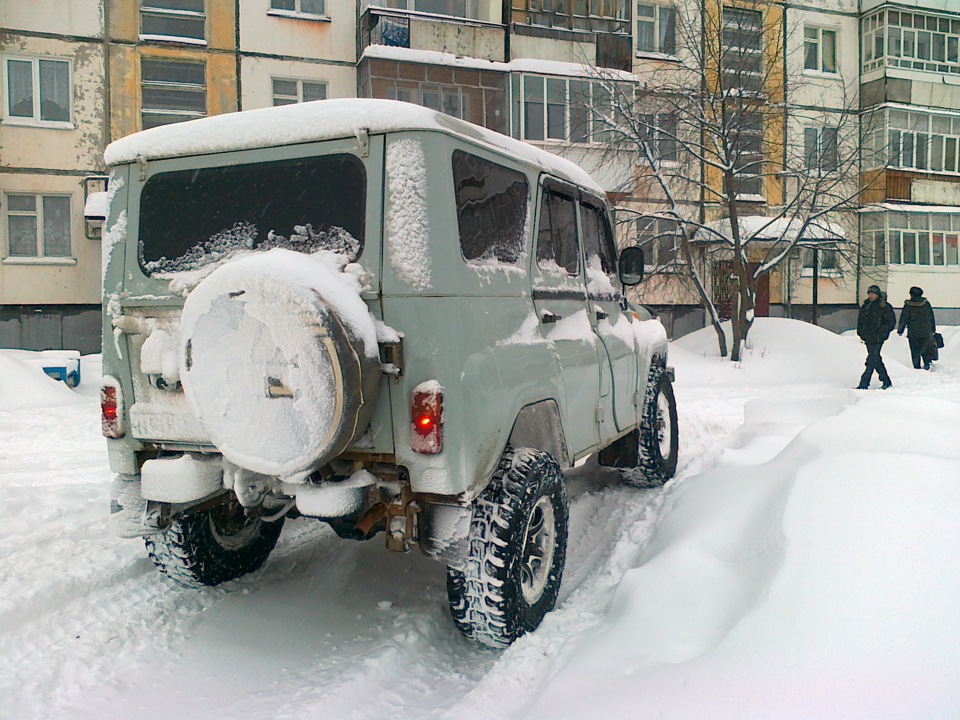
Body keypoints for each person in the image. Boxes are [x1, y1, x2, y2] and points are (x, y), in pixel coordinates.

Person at [856, 284, 896, 389]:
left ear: (878, 295)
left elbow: (890, 322)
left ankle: (863, 384)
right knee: (876, 359)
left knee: (871, 360)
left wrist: (882, 333)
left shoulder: (884, 307)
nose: (871, 295)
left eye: (873, 293)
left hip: (878, 338)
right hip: (868, 337)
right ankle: (886, 381)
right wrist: (861, 333)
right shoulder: (866, 306)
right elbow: (860, 321)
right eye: (869, 293)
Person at [897, 286, 937, 370]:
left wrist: (901, 329)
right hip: (925, 331)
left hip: (913, 332)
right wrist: (933, 329)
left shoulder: (908, 305)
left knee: (915, 350)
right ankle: (926, 364)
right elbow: (931, 317)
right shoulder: (926, 304)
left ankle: (916, 366)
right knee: (925, 349)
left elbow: (904, 318)